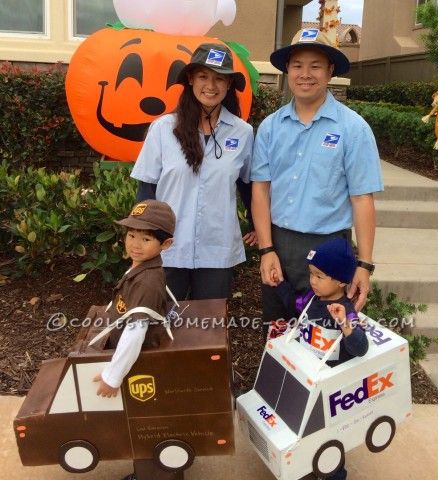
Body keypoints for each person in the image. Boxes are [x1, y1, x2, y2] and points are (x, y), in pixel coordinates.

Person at [251, 28, 383, 341]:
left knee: (326, 339)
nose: (305, 74)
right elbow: (260, 189)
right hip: (280, 244)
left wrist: (364, 264)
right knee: (278, 333)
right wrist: (267, 249)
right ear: (287, 70)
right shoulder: (271, 127)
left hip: (330, 250)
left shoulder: (353, 129)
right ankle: (277, 388)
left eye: (315, 65)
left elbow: (362, 199)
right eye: (297, 65)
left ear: (330, 70)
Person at [131, 42, 256, 301]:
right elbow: (147, 188)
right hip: (168, 246)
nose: (211, 86)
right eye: (203, 76)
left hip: (217, 247)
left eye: (219, 78)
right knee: (162, 324)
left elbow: (247, 184)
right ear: (190, 79)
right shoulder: (163, 129)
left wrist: (256, 224)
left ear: (230, 84)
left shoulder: (243, 132)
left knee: (208, 326)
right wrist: (143, 239)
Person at [270, 238, 368, 480]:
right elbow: (295, 304)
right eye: (311, 273)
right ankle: (306, 466)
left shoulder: (346, 310)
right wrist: (280, 284)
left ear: (341, 281)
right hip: (307, 376)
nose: (312, 280)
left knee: (329, 435)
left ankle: (335, 473)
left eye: (320, 276)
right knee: (307, 430)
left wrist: (345, 323)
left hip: (330, 387)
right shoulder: (312, 300)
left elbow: (360, 347)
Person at [90, 199, 175, 398]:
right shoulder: (141, 268)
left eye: (146, 239)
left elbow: (135, 334)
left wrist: (112, 377)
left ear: (166, 244)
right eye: (131, 235)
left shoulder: (147, 282)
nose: (135, 244)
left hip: (137, 352)